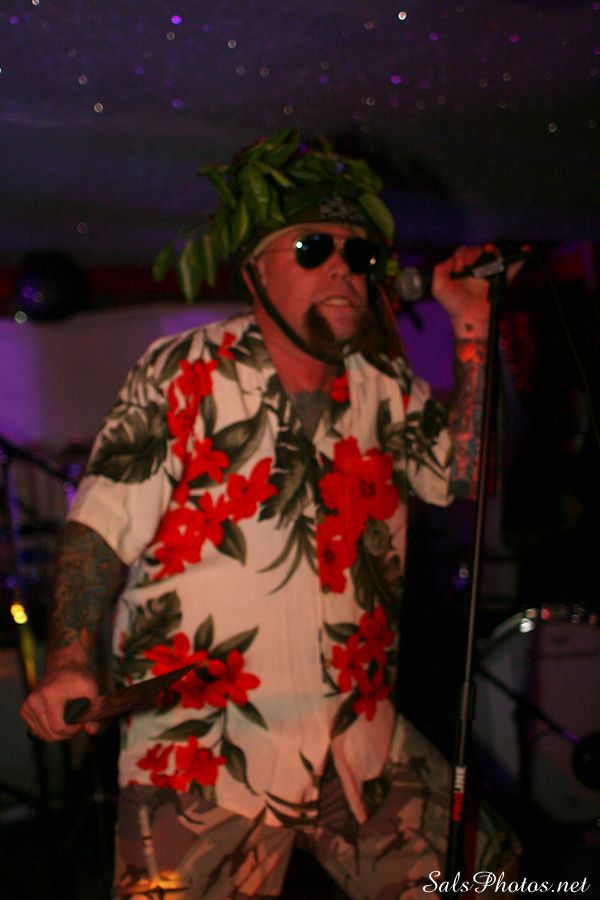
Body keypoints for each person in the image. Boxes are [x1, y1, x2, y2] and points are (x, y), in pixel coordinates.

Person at [21, 130, 519, 898]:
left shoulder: (384, 385)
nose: (343, 270)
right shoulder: (186, 370)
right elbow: (101, 523)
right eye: (314, 248)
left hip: (358, 735)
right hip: (202, 748)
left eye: (360, 255)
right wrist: (67, 660)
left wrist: (474, 324)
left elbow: (468, 475)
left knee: (489, 881)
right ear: (254, 271)